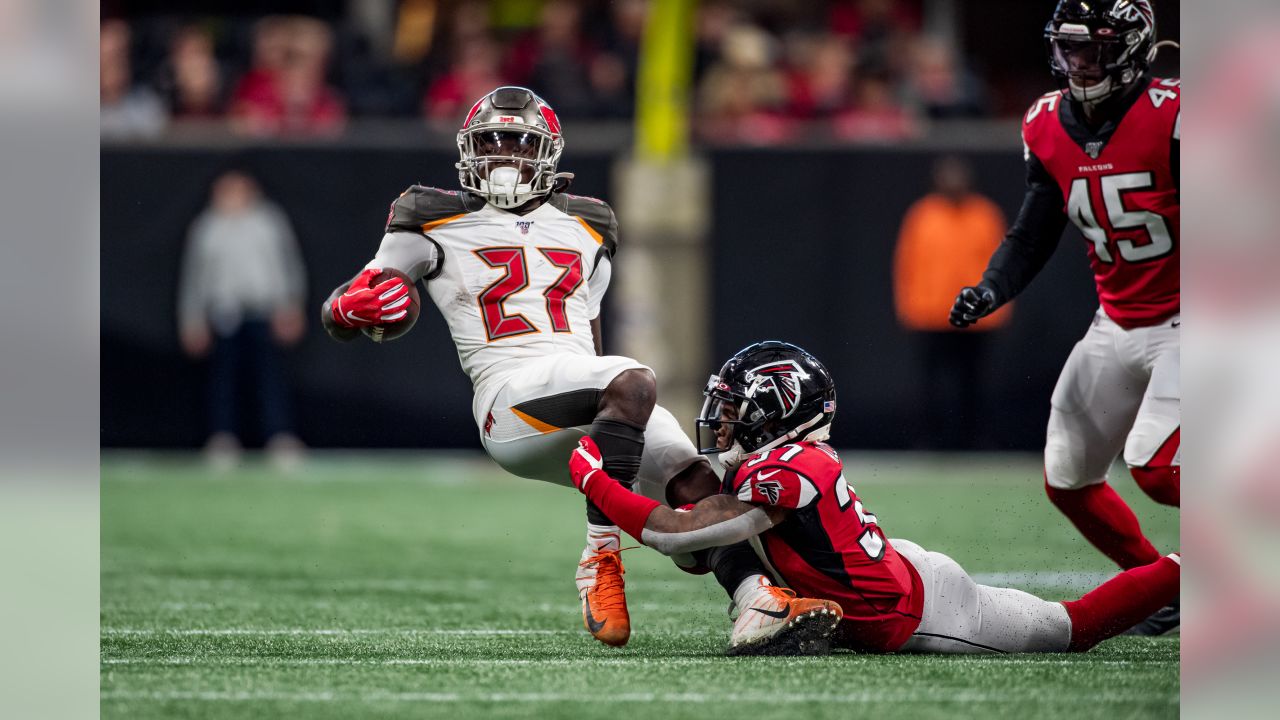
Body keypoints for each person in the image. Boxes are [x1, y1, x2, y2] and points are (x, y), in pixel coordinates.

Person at [320, 86, 828, 652]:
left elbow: (590, 339)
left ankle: (755, 600)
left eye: (518, 143)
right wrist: (343, 309)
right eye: (491, 142)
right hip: (506, 401)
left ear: (548, 153)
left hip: (586, 388)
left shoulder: (592, 221)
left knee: (693, 480)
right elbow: (366, 298)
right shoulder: (429, 213)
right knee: (633, 379)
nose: (504, 156)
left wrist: (621, 421)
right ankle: (600, 558)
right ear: (468, 149)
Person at [568, 341, 1181, 655]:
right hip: (886, 566)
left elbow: (681, 531)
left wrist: (595, 479)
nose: (721, 424)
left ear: (777, 412)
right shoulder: (777, 459)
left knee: (1067, 629)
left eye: (734, 411)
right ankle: (762, 604)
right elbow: (693, 540)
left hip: (919, 609)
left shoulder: (789, 466)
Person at [948, 0, 1179, 634]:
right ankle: (1165, 586)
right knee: (1069, 478)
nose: (1075, 63)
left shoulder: (1177, 115)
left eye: (1091, 48)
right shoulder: (1046, 122)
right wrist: (992, 289)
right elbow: (1033, 233)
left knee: (1159, 468)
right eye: (1067, 48)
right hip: (1118, 319)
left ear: (1130, 49)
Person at [178, 170, 308, 468]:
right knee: (224, 380)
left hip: (264, 311)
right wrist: (192, 320)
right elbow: (194, 278)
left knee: (270, 378)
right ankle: (223, 437)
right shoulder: (207, 226)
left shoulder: (268, 222)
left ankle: (279, 435)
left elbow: (288, 266)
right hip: (225, 313)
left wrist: (291, 305)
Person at [894, 155, 1009, 449]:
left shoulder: (985, 214)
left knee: (975, 383)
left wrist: (998, 306)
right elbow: (907, 263)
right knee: (930, 385)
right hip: (931, 314)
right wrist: (910, 306)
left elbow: (1001, 264)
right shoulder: (922, 215)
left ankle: (974, 441)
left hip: (976, 317)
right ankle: (930, 441)